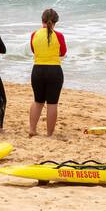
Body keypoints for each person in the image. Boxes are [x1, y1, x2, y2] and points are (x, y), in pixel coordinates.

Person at [27, 8, 65, 137]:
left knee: (38, 101)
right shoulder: (58, 35)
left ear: (42, 20)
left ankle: (32, 129)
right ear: (55, 22)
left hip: (37, 70)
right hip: (54, 70)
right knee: (52, 103)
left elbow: (33, 50)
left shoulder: (34, 34)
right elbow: (63, 52)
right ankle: (49, 134)